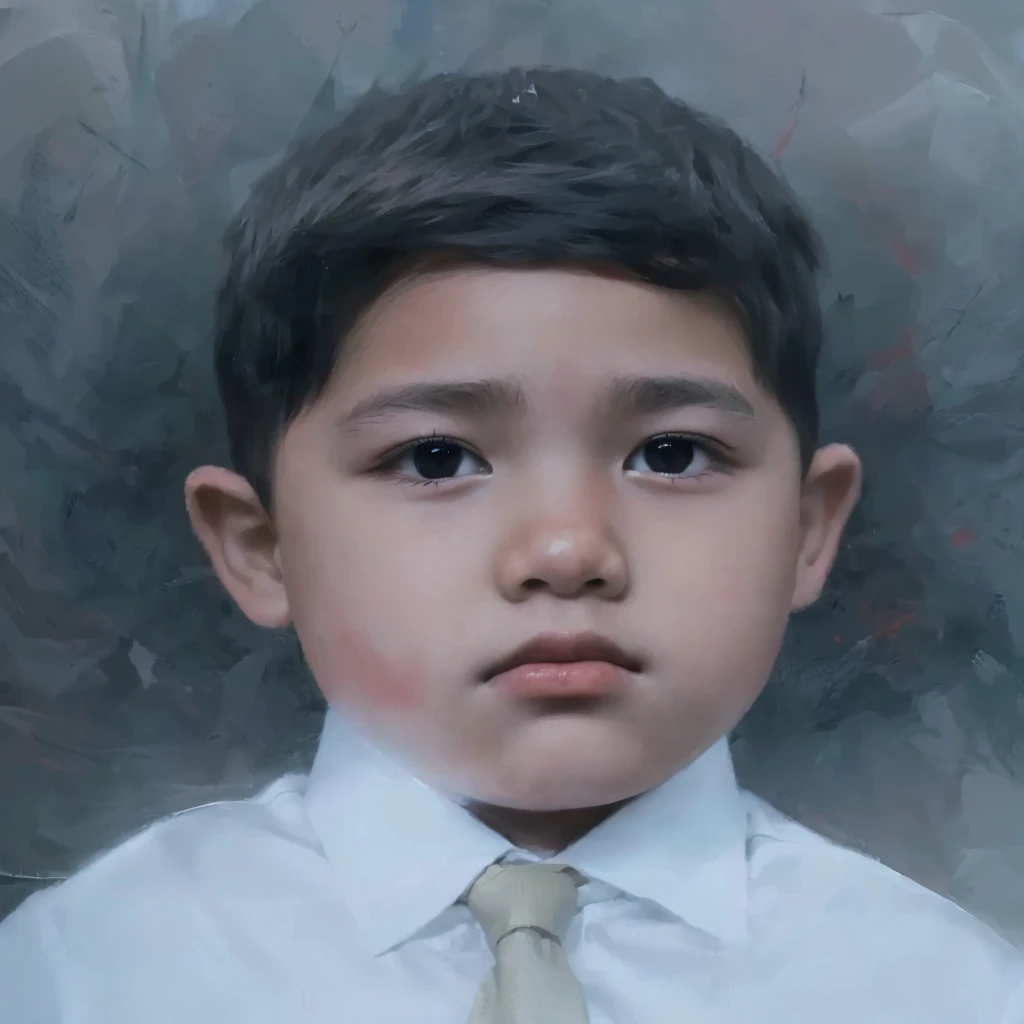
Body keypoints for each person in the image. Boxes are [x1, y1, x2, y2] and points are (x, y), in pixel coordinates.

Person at [1, 67, 1020, 1024]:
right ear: (260, 548)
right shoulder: (90, 971)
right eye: (437, 459)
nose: (568, 548)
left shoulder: (939, 987)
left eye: (671, 453)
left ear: (806, 529)